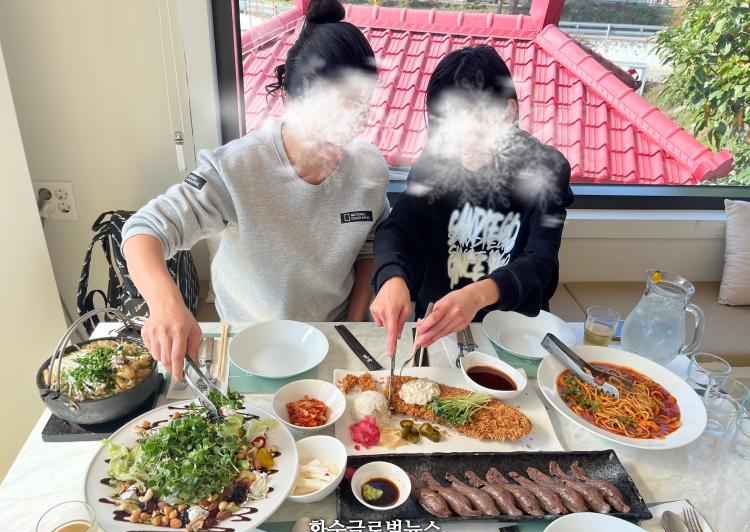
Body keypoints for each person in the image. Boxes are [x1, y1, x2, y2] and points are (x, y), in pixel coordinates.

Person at [122, 0, 389, 379]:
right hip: (249, 341)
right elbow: (143, 230)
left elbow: (369, 245)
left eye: (358, 111)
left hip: (332, 334)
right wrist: (166, 304)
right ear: (288, 100)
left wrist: (353, 323)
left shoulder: (369, 168)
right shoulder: (235, 168)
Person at [370, 45, 573, 357]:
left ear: (507, 112)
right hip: (439, 329)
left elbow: (541, 264)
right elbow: (398, 228)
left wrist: (477, 296)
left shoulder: (545, 168)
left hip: (513, 334)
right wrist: (391, 276)